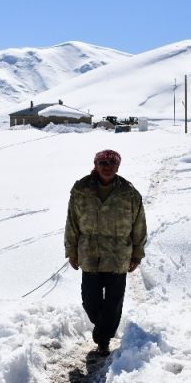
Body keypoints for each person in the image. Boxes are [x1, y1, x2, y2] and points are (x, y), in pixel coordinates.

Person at [64, 149, 147, 355]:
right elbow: (72, 222)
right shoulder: (81, 189)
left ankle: (103, 340)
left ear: (118, 166)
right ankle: (102, 329)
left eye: (112, 163)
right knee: (90, 301)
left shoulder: (129, 193)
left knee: (113, 302)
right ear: (96, 165)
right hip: (89, 255)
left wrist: (137, 254)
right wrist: (71, 251)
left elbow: (139, 225)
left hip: (118, 256)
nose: (107, 167)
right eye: (103, 163)